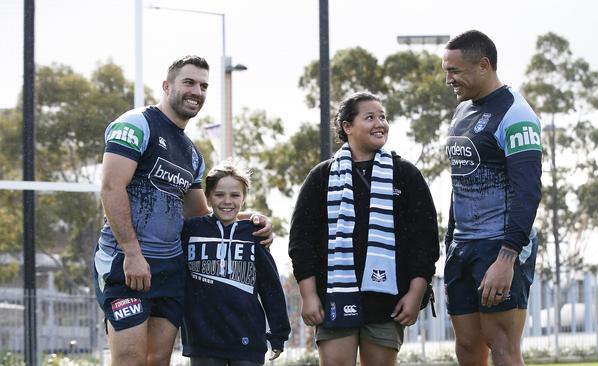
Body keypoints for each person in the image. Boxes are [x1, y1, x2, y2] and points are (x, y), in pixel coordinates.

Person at [94, 55, 273, 366]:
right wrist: (132, 253)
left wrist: (252, 220)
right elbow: (111, 187)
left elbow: (200, 215)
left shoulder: (192, 154)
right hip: (127, 263)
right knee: (130, 359)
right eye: (189, 82)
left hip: (170, 269)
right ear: (167, 86)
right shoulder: (136, 124)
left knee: (157, 359)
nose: (197, 91)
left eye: (203, 86)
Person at [288, 92, 439, 366]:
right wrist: (308, 296)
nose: (379, 123)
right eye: (370, 117)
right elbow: (301, 240)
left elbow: (425, 241)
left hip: (387, 302)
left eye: (383, 117)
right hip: (334, 296)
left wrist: (416, 293)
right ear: (348, 126)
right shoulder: (322, 176)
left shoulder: (405, 174)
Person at [442, 30, 543, 366]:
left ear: (484, 65)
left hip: (500, 246)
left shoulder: (517, 114)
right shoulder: (460, 113)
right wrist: (449, 244)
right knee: (468, 347)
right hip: (463, 247)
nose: (449, 79)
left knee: (501, 345)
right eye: (446, 71)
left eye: (454, 71)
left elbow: (528, 191)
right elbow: (459, 183)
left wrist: (507, 258)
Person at [180, 159, 290, 365]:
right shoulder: (191, 230)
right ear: (208, 196)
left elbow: (270, 286)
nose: (227, 201)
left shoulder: (254, 234)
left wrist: (279, 333)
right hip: (203, 340)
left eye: (235, 195)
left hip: (247, 338)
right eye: (219, 194)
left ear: (244, 197)